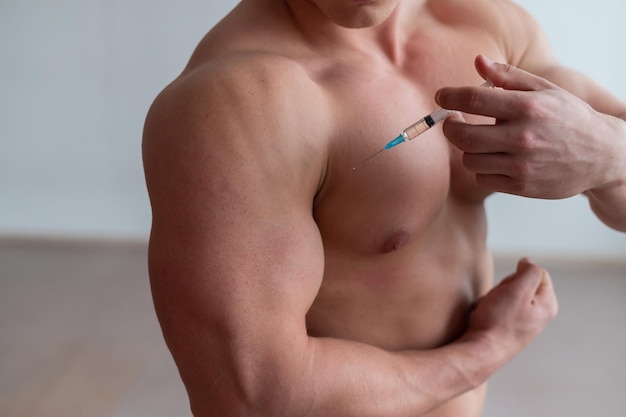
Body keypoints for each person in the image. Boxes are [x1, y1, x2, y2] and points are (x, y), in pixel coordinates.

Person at [142, 0, 626, 415]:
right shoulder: (233, 102)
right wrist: (487, 350)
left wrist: (608, 156)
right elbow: (252, 397)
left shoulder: (489, 26)